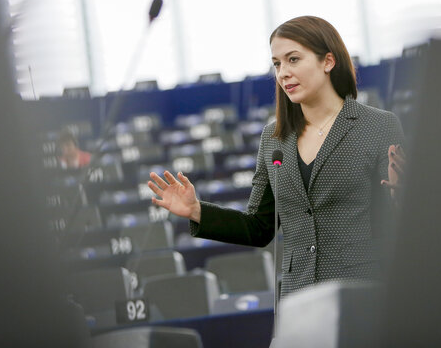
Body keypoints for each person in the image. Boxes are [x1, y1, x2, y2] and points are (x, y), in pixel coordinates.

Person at [148, 16, 406, 299]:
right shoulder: (274, 139)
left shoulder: (378, 125)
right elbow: (259, 227)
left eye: (293, 59)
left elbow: (401, 217)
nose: (283, 73)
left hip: (364, 293)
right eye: (277, 64)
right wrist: (197, 210)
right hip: (299, 299)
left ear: (328, 62)